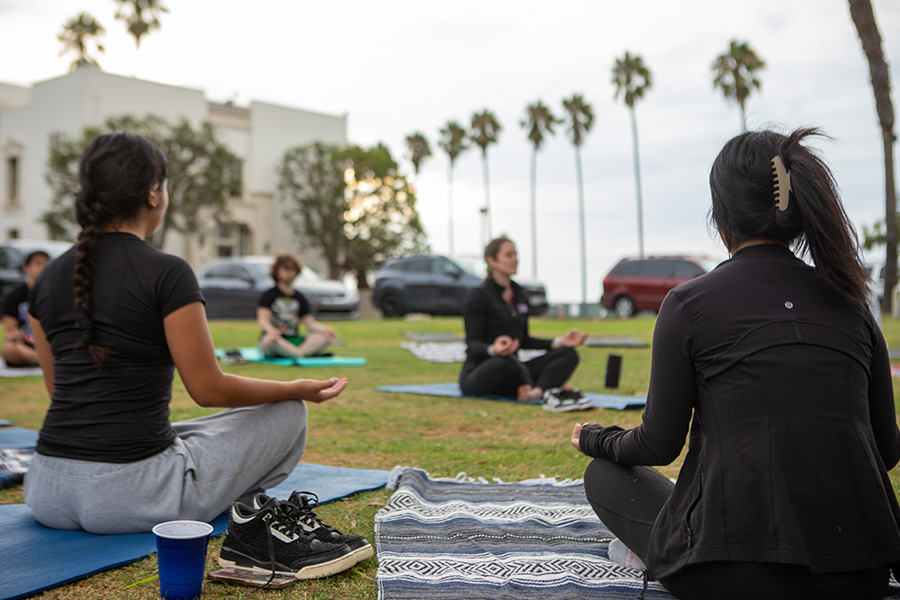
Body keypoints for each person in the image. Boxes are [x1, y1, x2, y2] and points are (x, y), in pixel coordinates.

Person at [571, 128, 900, 600]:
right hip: (857, 573)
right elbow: (885, 451)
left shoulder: (689, 304)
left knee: (603, 474)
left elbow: (659, 443)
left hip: (731, 574)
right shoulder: (852, 305)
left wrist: (596, 437)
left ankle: (653, 553)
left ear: (721, 216)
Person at [24, 132, 366, 576]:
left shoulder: (47, 277)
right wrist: (295, 388)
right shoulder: (166, 272)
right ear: (154, 193)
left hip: (46, 488)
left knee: (185, 432)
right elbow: (208, 388)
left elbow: (57, 389)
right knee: (288, 413)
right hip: (131, 496)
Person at [460, 236, 591, 412]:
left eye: (516, 254)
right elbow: (472, 344)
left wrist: (560, 342)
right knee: (504, 361)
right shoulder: (477, 296)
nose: (515, 259)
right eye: (509, 255)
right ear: (491, 260)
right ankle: (532, 385)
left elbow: (525, 340)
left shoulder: (519, 293)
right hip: (483, 371)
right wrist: (494, 349)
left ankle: (535, 392)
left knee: (568, 354)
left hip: (515, 368)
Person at [257, 253, 337, 359]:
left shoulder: (300, 297)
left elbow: (310, 323)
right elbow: (263, 320)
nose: (290, 273)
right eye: (286, 269)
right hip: (276, 339)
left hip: (295, 340)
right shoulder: (269, 295)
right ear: (277, 271)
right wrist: (272, 331)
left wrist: (324, 330)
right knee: (269, 341)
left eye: (293, 270)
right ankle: (300, 353)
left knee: (325, 337)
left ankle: (296, 353)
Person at [1, 250, 49, 367]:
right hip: (26, 346)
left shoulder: (54, 294)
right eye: (38, 264)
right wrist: (14, 335)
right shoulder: (15, 295)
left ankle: (44, 360)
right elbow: (10, 330)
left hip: (49, 343)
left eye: (46, 264)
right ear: (26, 268)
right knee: (10, 350)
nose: (43, 268)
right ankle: (44, 360)